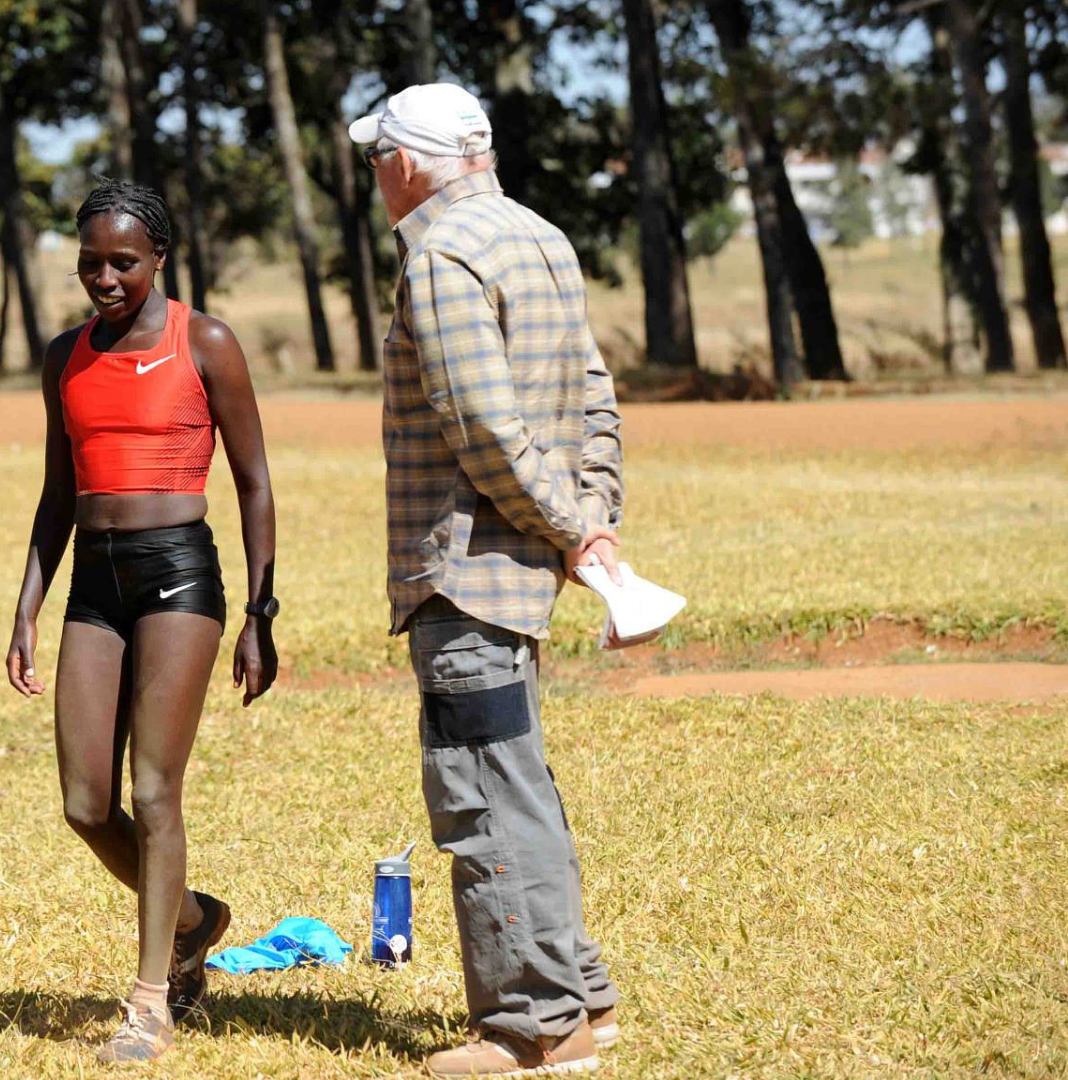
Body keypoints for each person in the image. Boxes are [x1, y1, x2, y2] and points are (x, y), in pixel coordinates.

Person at [350, 84, 625, 1078]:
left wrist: (571, 529)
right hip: (524, 565)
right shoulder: (541, 237)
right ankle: (581, 997)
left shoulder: (441, 256)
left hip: (466, 574)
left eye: (378, 157)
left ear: (413, 162)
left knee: (480, 797)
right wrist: (591, 518)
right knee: (521, 785)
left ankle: (531, 1025)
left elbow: (483, 427)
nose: (375, 176)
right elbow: (594, 395)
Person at [6, 180, 278, 1065]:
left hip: (178, 576)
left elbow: (254, 485)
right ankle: (196, 919)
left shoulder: (205, 342)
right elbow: (58, 493)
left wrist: (260, 612)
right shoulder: (66, 355)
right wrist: (27, 607)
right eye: (92, 263)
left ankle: (151, 1000)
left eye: (123, 261)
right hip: (94, 579)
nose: (106, 278)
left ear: (160, 256)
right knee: (87, 802)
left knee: (156, 791)